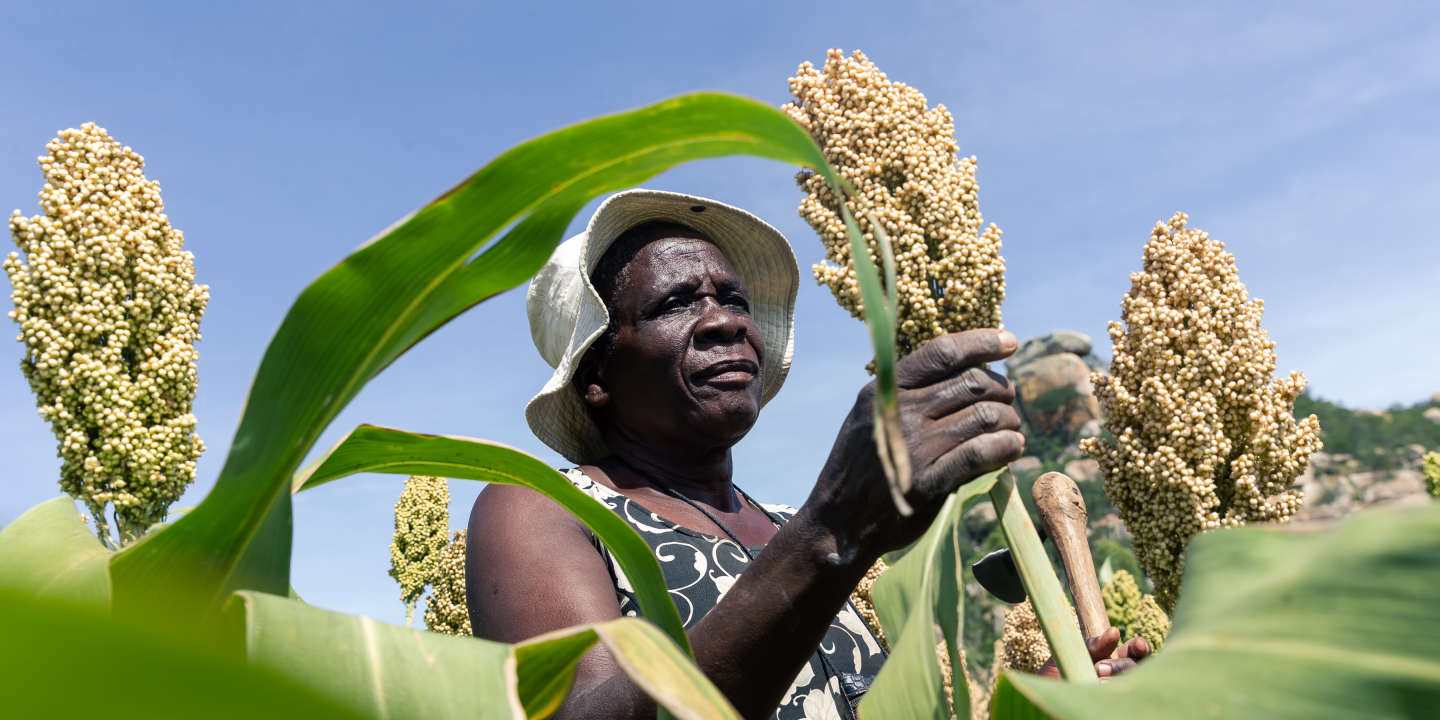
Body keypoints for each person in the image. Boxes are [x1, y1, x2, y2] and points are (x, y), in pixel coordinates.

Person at [466, 189, 1147, 720]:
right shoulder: (544, 509)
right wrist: (834, 532)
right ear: (596, 374)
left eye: (732, 298)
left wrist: (1044, 703)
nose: (727, 319)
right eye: (676, 302)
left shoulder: (788, 522)